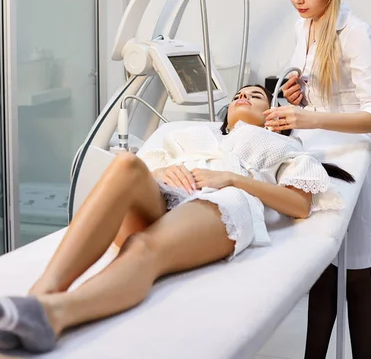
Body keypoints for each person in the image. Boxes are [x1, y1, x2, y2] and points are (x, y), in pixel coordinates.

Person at [0, 84, 352, 354]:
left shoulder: (282, 146)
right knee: (126, 164)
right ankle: (39, 296)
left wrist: (231, 179)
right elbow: (148, 166)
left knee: (142, 246)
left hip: (225, 198)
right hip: (166, 190)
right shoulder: (187, 135)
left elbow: (299, 205)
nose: (243, 96)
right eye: (239, 94)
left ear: (273, 115)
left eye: (255, 95)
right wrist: (164, 168)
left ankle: (53, 315)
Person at [263, 0, 371, 359]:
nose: (298, 0)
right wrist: (298, 95)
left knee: (355, 275)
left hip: (353, 157)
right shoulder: (305, 26)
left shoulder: (353, 31)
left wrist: (308, 118)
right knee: (322, 270)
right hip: (318, 157)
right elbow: (313, 92)